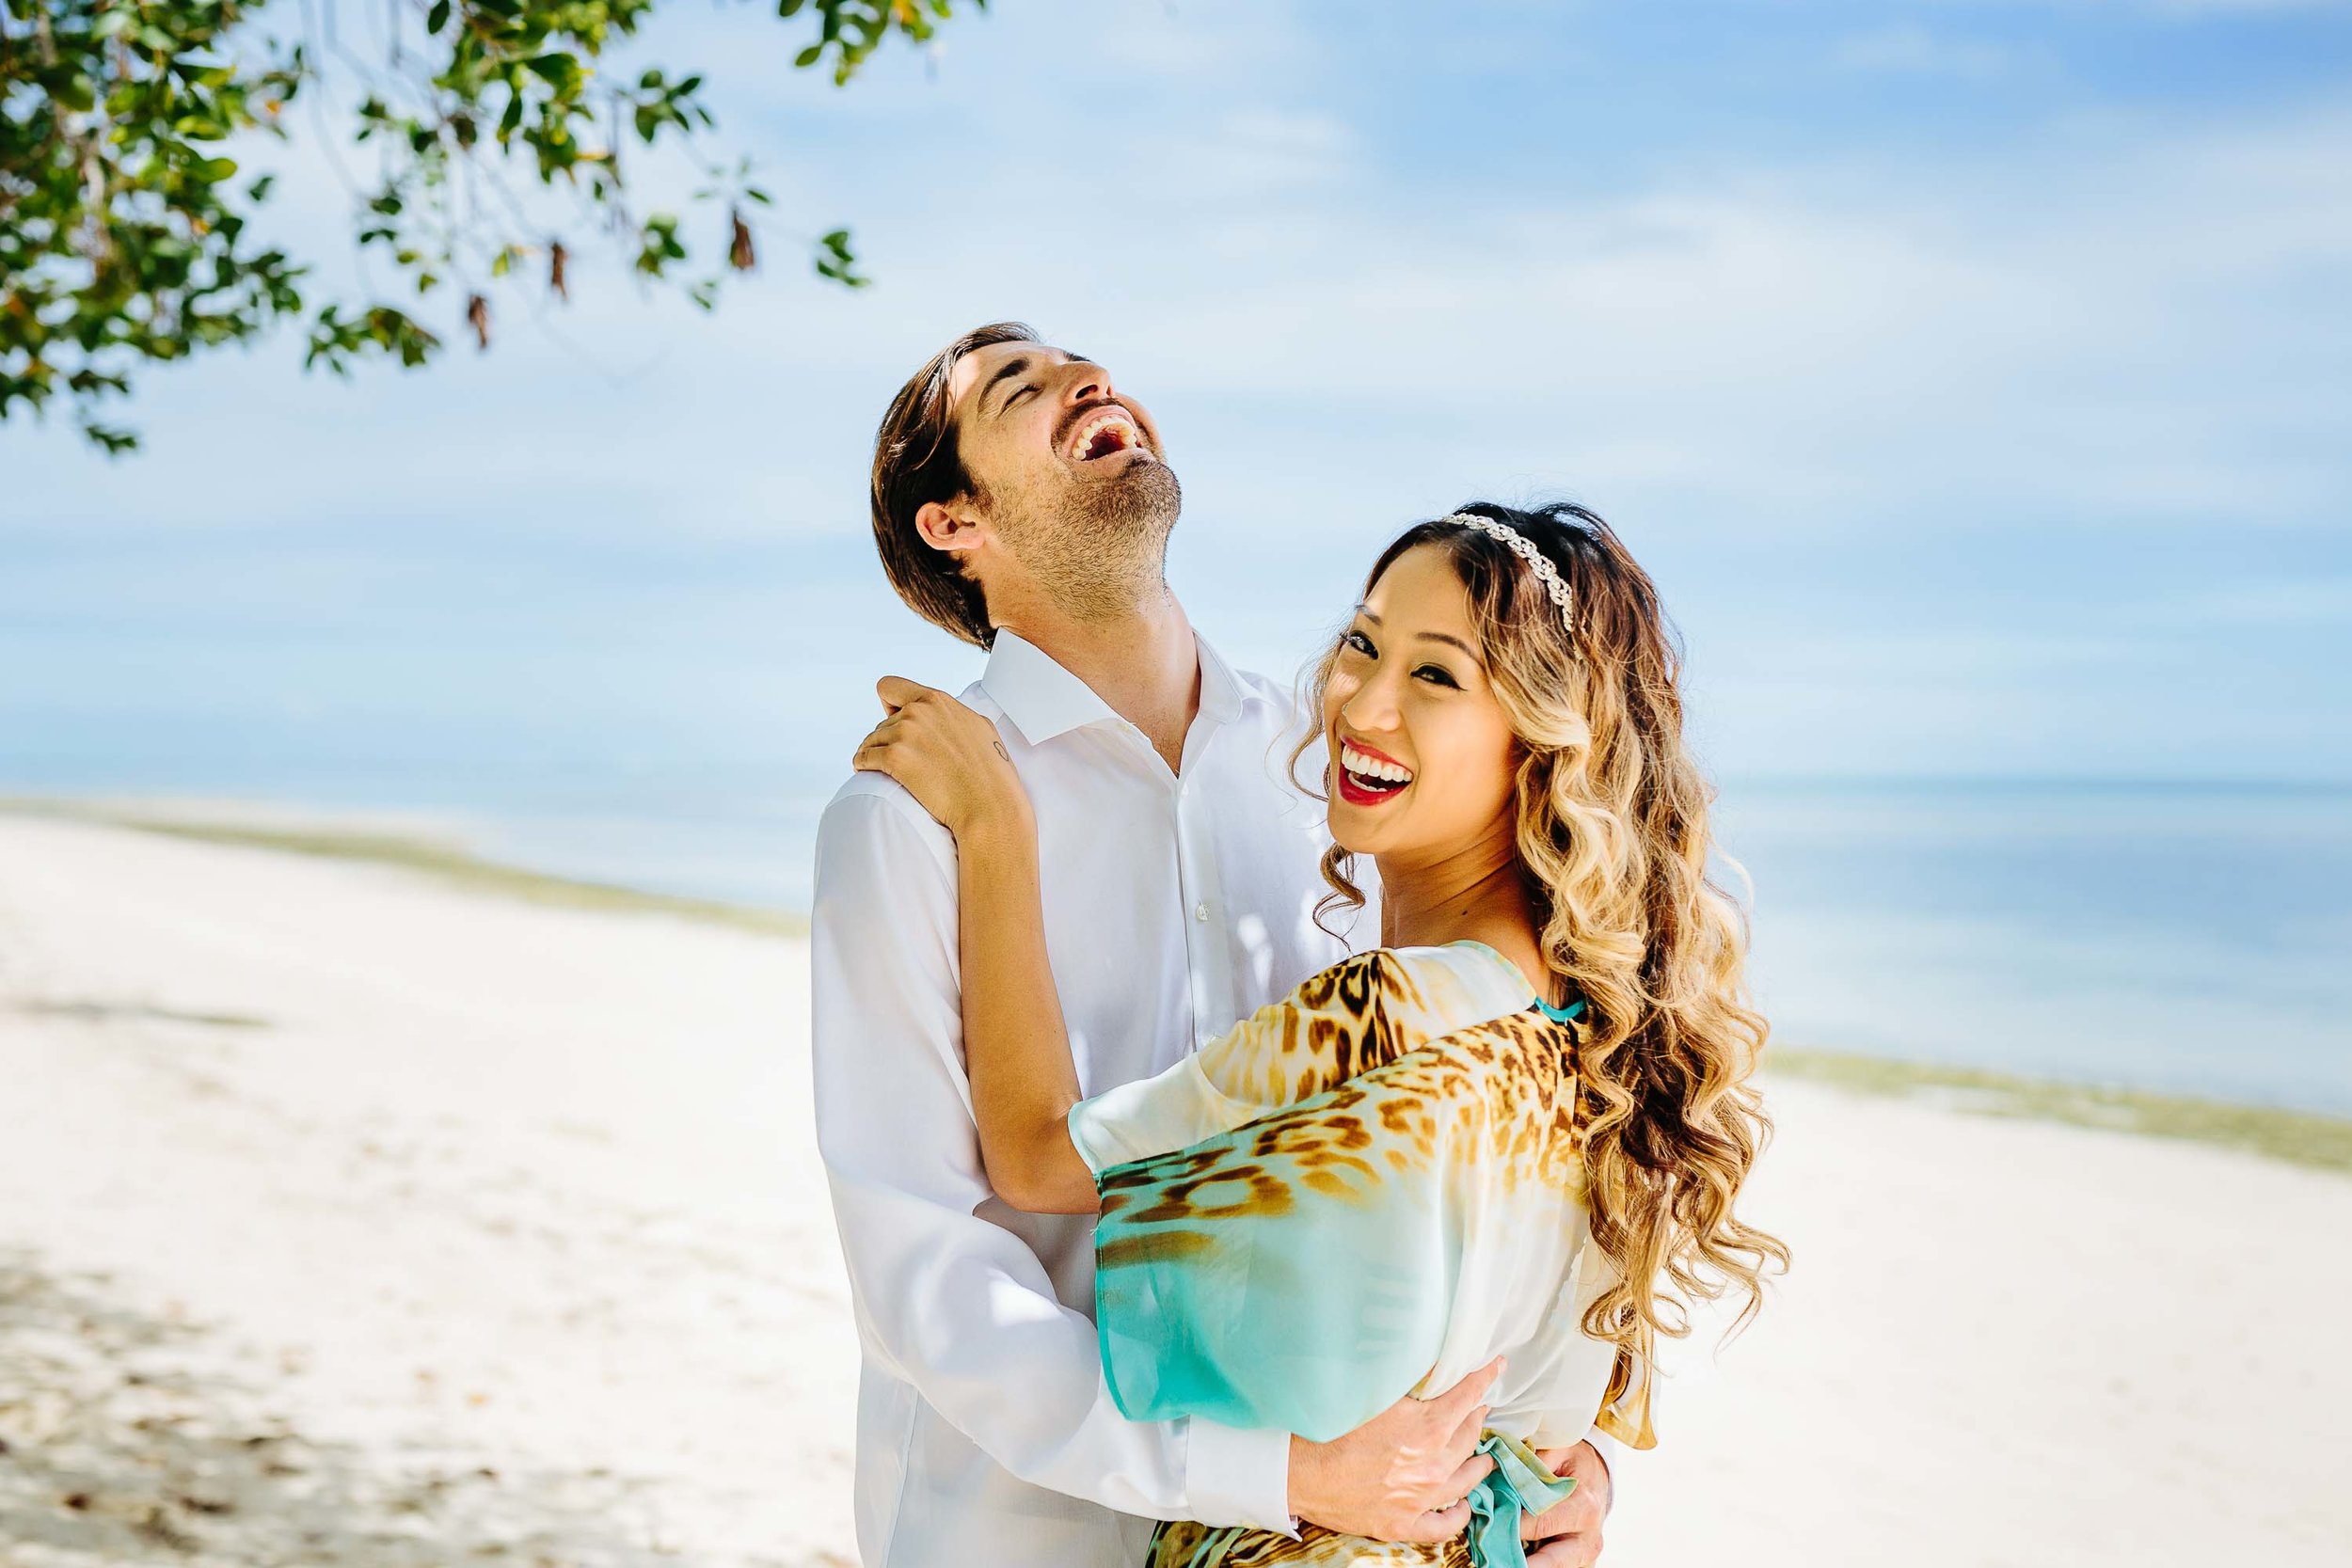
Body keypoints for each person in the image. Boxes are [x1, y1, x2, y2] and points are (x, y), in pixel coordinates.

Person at [811, 325, 1628, 1568]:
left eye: (1086, 363)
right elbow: (928, 1272)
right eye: (1020, 390)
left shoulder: (1345, 775)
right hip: (1027, 1533)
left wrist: (1556, 1458)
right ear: (954, 524)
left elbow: (1479, 1167)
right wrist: (1270, 1471)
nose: (1090, 381)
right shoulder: (908, 819)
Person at [851, 499, 1788, 1567]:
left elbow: (1031, 1154)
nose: (1362, 702)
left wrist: (994, 826)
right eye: (1360, 642)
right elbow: (1551, 1428)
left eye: (1436, 675)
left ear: (1540, 733)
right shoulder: (1602, 1035)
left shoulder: (1386, 1009)